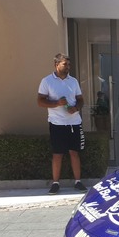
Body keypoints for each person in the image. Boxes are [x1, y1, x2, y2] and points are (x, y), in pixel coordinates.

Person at [37, 53, 87, 195]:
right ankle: (55, 183)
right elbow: (40, 101)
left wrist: (76, 108)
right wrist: (57, 103)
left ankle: (78, 181)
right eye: (65, 64)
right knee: (58, 154)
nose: (68, 67)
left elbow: (80, 99)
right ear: (56, 65)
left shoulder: (73, 81)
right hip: (57, 123)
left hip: (74, 123)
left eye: (69, 65)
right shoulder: (46, 81)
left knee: (74, 153)